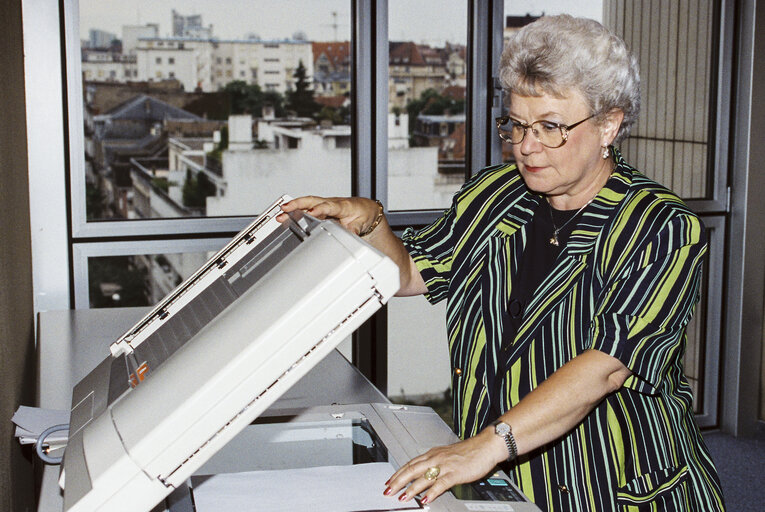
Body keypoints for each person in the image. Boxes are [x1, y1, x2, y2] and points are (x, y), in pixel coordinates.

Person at [280, 14, 725, 511]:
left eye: (551, 127)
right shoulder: (493, 196)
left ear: (609, 125)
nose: (526, 146)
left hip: (608, 483)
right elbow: (411, 272)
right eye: (517, 124)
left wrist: (484, 447)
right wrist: (371, 222)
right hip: (497, 473)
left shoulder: (660, 226)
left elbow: (605, 367)